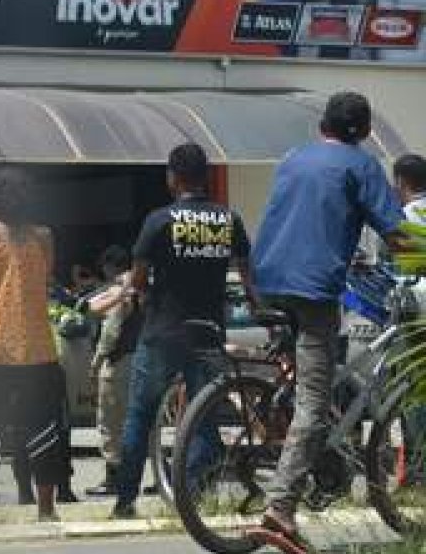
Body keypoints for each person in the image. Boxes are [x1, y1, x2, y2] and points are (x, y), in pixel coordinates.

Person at [252, 93, 409, 542]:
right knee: (314, 403)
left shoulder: (293, 158)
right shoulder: (359, 166)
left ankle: (310, 455)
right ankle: (281, 507)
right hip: (312, 289)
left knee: (311, 378)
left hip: (268, 279)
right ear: (361, 131)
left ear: (323, 125)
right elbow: (394, 231)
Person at [108, 144, 256, 519]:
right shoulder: (229, 220)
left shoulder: (159, 220)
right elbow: (248, 277)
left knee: (140, 416)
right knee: (204, 416)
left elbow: (139, 281)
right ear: (205, 176)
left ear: (173, 177)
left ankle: (125, 502)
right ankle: (193, 499)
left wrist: (145, 287)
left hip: (163, 332)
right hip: (207, 334)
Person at [0, 167, 67, 522]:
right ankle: (46, 509)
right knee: (43, 428)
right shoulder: (44, 238)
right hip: (37, 347)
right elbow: (44, 277)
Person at [83, 246, 136, 498]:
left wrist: (96, 363)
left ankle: (113, 478)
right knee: (134, 423)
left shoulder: (120, 291)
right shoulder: (140, 287)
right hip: (137, 362)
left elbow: (110, 333)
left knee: (110, 424)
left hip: (118, 364)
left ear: (110, 267)